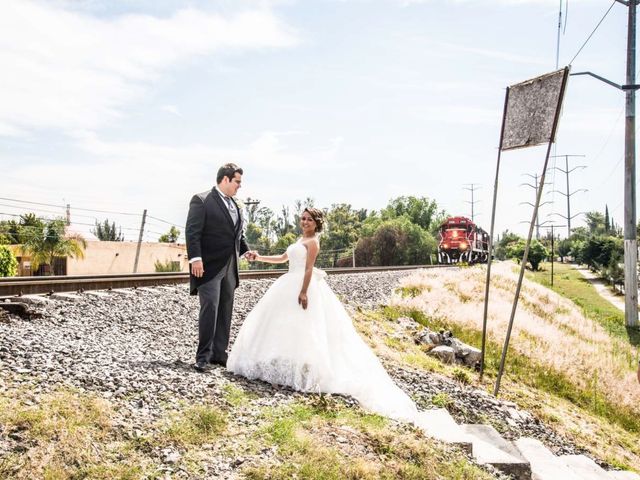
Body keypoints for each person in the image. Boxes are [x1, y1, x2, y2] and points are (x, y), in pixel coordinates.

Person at [227, 208, 419, 422]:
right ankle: (284, 369)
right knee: (284, 326)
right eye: (303, 219)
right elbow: (283, 258)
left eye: (309, 219)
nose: (305, 222)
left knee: (305, 329)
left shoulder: (313, 243)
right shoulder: (300, 239)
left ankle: (301, 371)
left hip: (301, 285)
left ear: (317, 223)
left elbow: (308, 269)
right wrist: (259, 256)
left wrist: (303, 291)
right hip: (287, 282)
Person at [185, 163, 256, 372]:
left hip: (230, 267)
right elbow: (192, 232)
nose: (239, 186)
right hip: (208, 267)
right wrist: (195, 259)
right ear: (225, 179)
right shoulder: (202, 200)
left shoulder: (236, 204)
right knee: (210, 309)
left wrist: (245, 251)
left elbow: (237, 235)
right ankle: (203, 357)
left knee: (225, 311)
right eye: (237, 182)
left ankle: (219, 354)